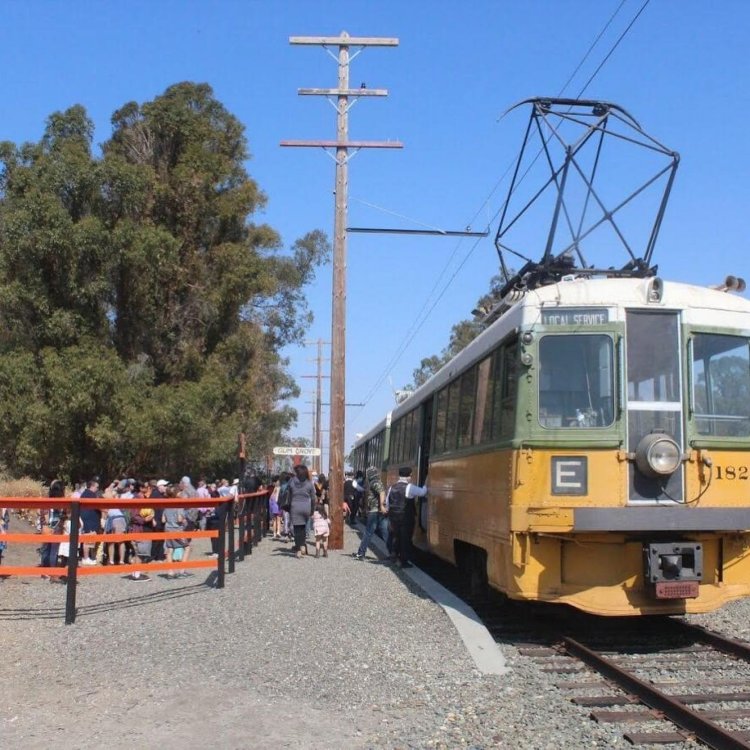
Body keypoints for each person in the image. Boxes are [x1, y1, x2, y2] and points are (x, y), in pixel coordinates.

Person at [386, 466, 428, 569]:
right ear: (409, 476)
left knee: (396, 537)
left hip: (394, 518)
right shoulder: (410, 487)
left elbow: (387, 503)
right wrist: (426, 482)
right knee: (406, 539)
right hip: (406, 517)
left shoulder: (392, 487)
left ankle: (394, 556)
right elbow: (423, 492)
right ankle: (403, 561)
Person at [353, 466, 388, 561]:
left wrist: (381, 505)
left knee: (368, 533)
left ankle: (361, 553)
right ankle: (393, 554)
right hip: (377, 511)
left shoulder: (374, 482)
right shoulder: (376, 482)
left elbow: (381, 492)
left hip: (375, 511)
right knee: (385, 533)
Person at [288, 464, 316, 558]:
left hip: (295, 506)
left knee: (297, 529)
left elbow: (288, 494)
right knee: (303, 528)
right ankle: (303, 545)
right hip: (306, 508)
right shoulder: (309, 483)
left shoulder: (292, 482)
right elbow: (313, 499)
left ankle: (299, 549)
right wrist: (312, 510)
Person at [79, 479, 101, 566]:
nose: (97, 489)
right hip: (90, 521)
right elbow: (97, 506)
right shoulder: (90, 495)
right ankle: (86, 558)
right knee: (88, 540)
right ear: (92, 486)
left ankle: (89, 557)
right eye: (97, 487)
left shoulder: (85, 494)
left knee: (89, 539)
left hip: (89, 520)